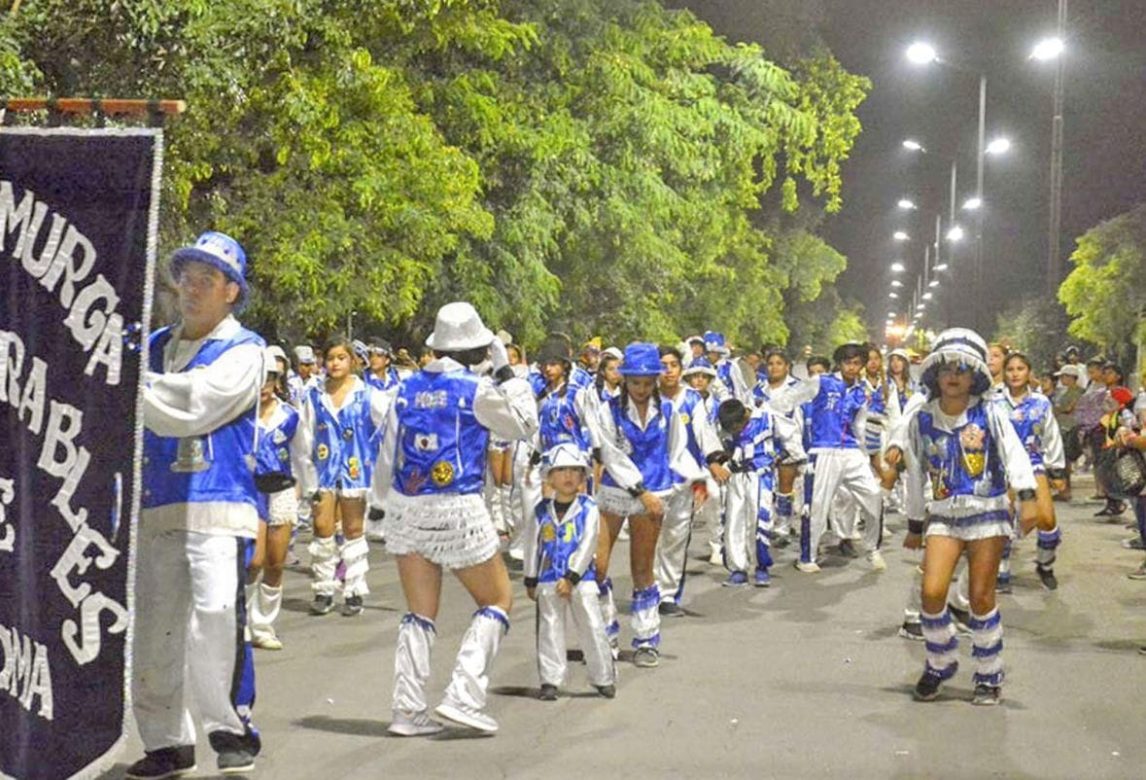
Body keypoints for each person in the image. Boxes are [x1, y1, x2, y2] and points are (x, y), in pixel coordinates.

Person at [129, 231, 265, 778]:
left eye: (207, 280)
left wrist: (129, 385)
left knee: (215, 620)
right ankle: (166, 742)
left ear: (232, 292)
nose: (192, 289)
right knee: (154, 627)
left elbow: (196, 404)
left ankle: (231, 731)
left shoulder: (245, 350)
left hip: (218, 503)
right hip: (157, 503)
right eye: (187, 278)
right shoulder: (153, 345)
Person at [370, 302, 538, 735]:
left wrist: (379, 505)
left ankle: (407, 709)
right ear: (479, 349)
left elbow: (388, 451)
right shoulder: (476, 390)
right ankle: (463, 694)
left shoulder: (404, 389)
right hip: (457, 506)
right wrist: (506, 373)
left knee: (419, 613)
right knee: (497, 600)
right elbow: (525, 424)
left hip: (407, 507)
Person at [892, 329, 1038, 706]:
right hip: (943, 514)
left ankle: (989, 673)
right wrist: (914, 523)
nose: (953, 376)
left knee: (980, 596)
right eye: (946, 369)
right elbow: (915, 472)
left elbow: (1014, 453)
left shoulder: (989, 411)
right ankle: (940, 661)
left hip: (987, 512)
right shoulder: (922, 419)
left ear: (975, 377)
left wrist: (1027, 497)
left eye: (962, 369)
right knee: (931, 593)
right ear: (935, 375)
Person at [595, 342, 704, 668]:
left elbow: (678, 452)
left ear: (655, 380)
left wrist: (695, 480)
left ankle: (646, 639)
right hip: (617, 491)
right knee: (597, 566)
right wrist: (639, 490)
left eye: (646, 382)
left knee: (642, 568)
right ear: (624, 380)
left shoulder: (669, 411)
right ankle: (604, 633)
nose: (641, 389)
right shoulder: (607, 410)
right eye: (634, 382)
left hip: (654, 494)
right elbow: (611, 456)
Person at [296, 336, 390, 616]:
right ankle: (323, 589)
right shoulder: (314, 396)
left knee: (353, 530)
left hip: (356, 472)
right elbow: (304, 438)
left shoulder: (367, 394)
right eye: (330, 358)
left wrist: (381, 470)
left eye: (341, 358)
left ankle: (354, 590)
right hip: (323, 471)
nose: (335, 363)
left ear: (353, 361)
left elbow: (389, 427)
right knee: (322, 528)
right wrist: (305, 477)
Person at [782, 343, 886, 573]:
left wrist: (864, 454)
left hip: (851, 450)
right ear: (840, 363)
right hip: (823, 449)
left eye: (857, 363)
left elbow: (859, 425)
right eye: (848, 362)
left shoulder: (861, 392)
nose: (852, 367)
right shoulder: (821, 382)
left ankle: (872, 548)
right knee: (817, 505)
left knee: (874, 495)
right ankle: (807, 557)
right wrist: (791, 442)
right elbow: (786, 402)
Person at [523, 444, 616, 701]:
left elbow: (588, 543)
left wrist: (572, 576)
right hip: (548, 578)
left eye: (575, 470)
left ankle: (603, 677)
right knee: (549, 627)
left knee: (592, 625)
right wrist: (530, 578)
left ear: (583, 476)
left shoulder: (588, 508)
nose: (568, 476)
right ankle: (550, 680)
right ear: (549, 477)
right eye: (561, 470)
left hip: (581, 580)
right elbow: (532, 545)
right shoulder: (540, 511)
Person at [653, 346, 726, 613]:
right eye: (663, 365)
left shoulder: (692, 399)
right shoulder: (646, 397)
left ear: (681, 369)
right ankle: (647, 590)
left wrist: (714, 461)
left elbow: (704, 432)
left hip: (683, 479)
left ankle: (667, 595)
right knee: (650, 540)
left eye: (673, 365)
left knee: (675, 538)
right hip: (651, 479)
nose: (668, 371)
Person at [247, 349, 309, 650]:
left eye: (269, 379)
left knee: (275, 562)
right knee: (253, 560)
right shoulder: (240, 416)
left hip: (281, 490)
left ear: (276, 381)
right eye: (258, 379)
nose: (263, 385)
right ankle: (240, 623)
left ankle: (262, 626)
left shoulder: (290, 416)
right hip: (250, 490)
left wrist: (304, 488)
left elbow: (302, 455)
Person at [996, 352, 1067, 592]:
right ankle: (1000, 569)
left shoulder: (1041, 402)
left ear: (1029, 372)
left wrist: (1057, 470)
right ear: (1004, 373)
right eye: (1010, 369)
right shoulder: (993, 401)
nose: (1015, 374)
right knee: (1002, 517)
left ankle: (1045, 565)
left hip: (1033, 461)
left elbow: (1051, 436)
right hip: (1002, 465)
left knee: (1046, 518)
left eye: (1020, 369)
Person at [714, 399, 803, 587]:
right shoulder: (725, 426)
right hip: (735, 476)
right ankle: (738, 569)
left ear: (744, 417)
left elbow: (792, 439)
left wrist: (780, 457)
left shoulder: (768, 418)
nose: (735, 431)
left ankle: (761, 567)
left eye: (736, 427)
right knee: (733, 521)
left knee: (758, 521)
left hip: (760, 476)